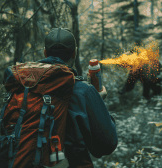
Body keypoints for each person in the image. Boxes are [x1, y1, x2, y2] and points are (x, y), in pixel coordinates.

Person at [40, 28, 118, 167]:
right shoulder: (83, 91)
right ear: (75, 53)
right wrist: (98, 101)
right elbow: (107, 145)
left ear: (45, 52)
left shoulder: (24, 88)